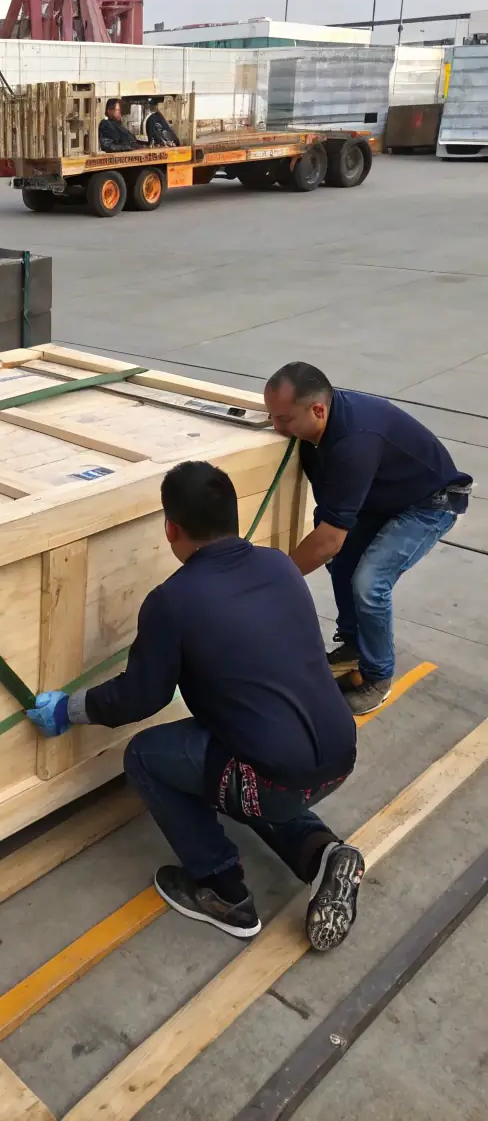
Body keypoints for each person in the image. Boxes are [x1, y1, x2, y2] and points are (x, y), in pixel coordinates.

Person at [26, 460, 364, 950]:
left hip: (272, 773)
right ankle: (322, 855)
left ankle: (224, 891)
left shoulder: (173, 600)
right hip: (339, 751)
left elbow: (141, 697)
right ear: (233, 514)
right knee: (252, 772)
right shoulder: (277, 564)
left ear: (171, 528)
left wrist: (69, 709)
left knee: (149, 757)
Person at [264, 362, 472, 715]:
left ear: (317, 409)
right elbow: (332, 525)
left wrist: (270, 581)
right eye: (272, 416)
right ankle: (354, 645)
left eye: (283, 419)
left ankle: (377, 677)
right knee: (342, 560)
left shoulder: (355, 441)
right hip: (382, 495)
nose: (276, 426)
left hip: (430, 502)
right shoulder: (318, 428)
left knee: (369, 582)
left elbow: (329, 537)